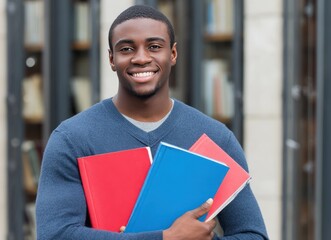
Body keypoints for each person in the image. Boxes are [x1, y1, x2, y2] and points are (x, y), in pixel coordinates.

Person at [35, 4, 268, 240]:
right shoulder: (72, 139)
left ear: (173, 54)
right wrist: (165, 238)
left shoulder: (215, 138)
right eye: (126, 49)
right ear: (112, 58)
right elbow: (55, 235)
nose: (141, 58)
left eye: (154, 47)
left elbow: (253, 235)